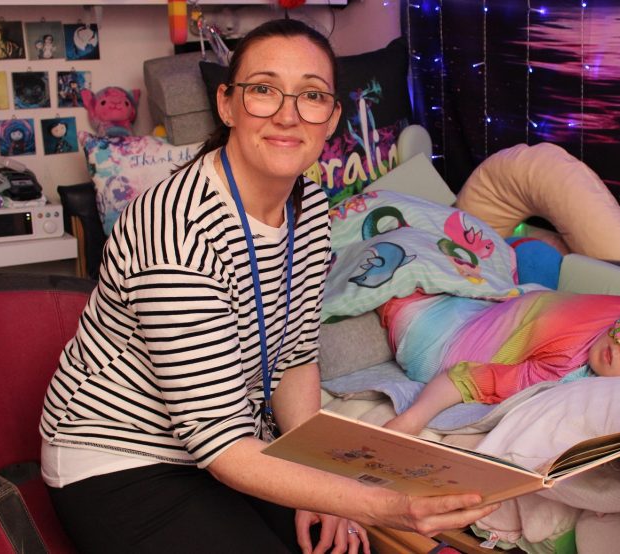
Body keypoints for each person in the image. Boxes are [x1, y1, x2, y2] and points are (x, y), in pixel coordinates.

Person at [39, 19, 497, 554]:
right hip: (121, 459)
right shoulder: (176, 229)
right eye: (263, 89)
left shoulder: (308, 203)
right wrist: (385, 504)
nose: (287, 113)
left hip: (234, 445)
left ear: (330, 119)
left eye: (310, 95)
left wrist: (318, 481)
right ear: (228, 105)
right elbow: (221, 447)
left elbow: (298, 353)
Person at [383, 285, 620, 435]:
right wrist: (409, 420)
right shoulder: (564, 365)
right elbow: (460, 376)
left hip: (450, 315)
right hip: (422, 318)